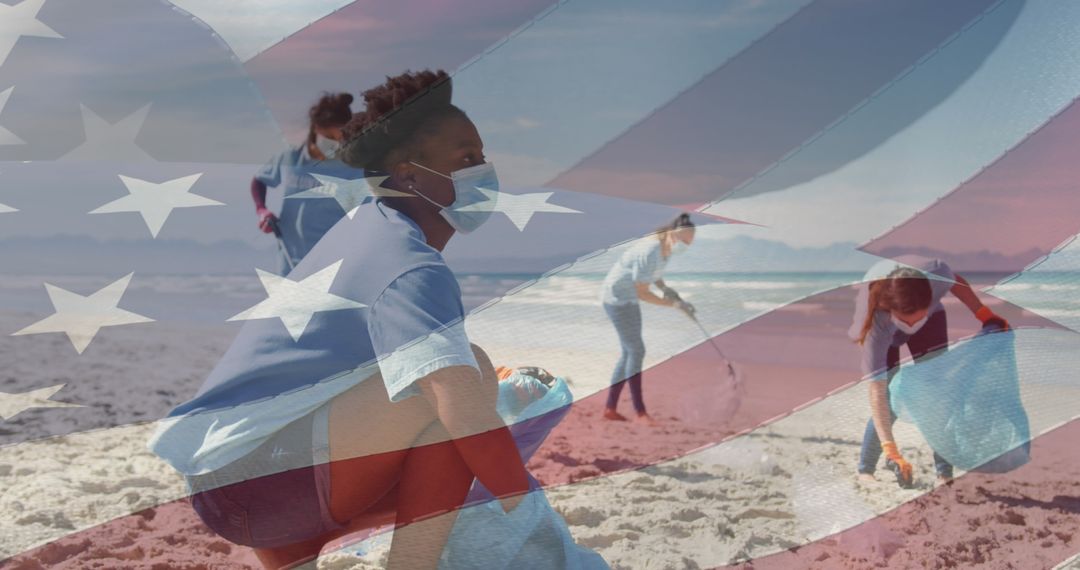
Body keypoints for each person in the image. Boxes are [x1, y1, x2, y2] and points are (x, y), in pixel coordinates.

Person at [149, 70, 531, 570]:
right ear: (410, 175)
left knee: (442, 390)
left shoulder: (365, 225)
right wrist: (526, 508)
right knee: (466, 383)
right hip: (262, 489)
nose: (483, 172)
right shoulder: (409, 263)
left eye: (482, 157)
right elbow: (459, 406)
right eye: (466, 160)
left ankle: (296, 554)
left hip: (224, 486)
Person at [849, 255, 1009, 486]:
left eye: (919, 317)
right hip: (886, 330)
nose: (913, 327)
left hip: (931, 321)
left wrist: (983, 313)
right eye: (908, 322)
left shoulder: (936, 272)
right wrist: (891, 450)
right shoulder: (874, 325)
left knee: (939, 393)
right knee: (889, 398)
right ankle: (866, 470)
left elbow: (956, 282)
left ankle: (944, 474)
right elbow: (877, 392)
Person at [250, 92, 365, 273]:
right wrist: (262, 210)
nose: (335, 143)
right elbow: (259, 180)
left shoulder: (355, 169)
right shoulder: (291, 157)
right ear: (316, 129)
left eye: (340, 138)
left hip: (333, 266)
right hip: (289, 263)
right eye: (330, 137)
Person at [599, 213, 696, 426]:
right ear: (673, 234)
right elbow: (642, 292)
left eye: (689, 242)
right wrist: (674, 305)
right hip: (616, 299)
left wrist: (666, 289)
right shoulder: (650, 250)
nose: (685, 245)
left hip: (629, 299)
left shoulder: (666, 248)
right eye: (684, 240)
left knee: (629, 352)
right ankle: (640, 413)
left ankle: (610, 408)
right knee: (636, 351)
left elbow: (654, 275)